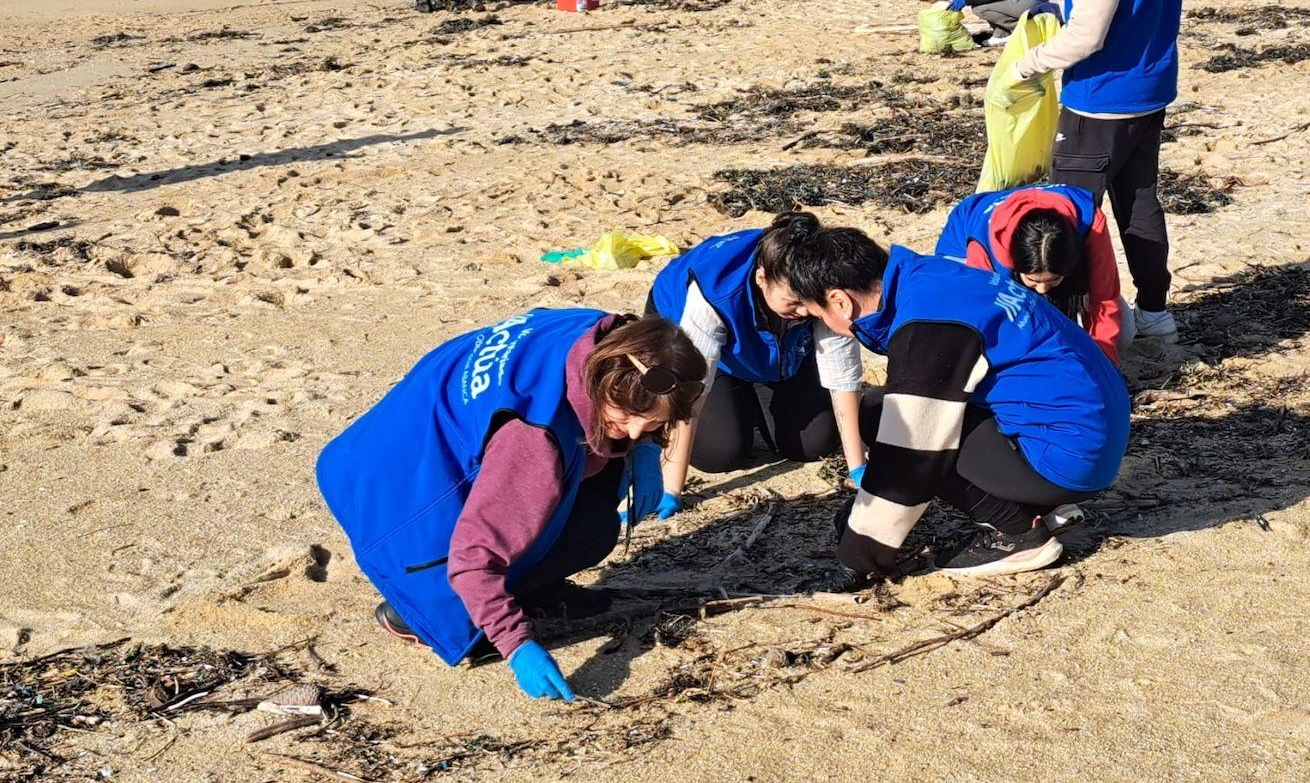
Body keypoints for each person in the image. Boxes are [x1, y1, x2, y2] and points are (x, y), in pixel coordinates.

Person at [316, 310, 706, 702]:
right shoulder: (533, 440)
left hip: (398, 443)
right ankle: (413, 610)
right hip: (394, 500)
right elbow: (472, 558)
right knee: (470, 607)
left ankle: (531, 586)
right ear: (609, 379)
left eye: (653, 423)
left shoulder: (605, 337)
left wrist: (646, 447)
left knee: (595, 509)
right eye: (628, 416)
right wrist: (515, 643)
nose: (637, 430)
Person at [757, 214, 1130, 584]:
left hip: (1068, 457)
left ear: (839, 301)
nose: (811, 318)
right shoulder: (931, 277)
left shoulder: (928, 328)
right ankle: (1040, 505)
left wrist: (858, 556)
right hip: (1094, 432)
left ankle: (1018, 533)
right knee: (909, 408)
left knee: (882, 415)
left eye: (815, 311)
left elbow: (911, 453)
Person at [1005, 0, 1185, 339]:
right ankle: (1156, 314)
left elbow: (1087, 36)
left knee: (1066, 221)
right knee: (1139, 204)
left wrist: (1026, 64)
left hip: (1099, 100)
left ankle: (1064, 332)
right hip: (1150, 90)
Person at [647, 220, 868, 517]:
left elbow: (842, 376)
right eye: (793, 303)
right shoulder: (714, 294)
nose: (803, 312)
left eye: (809, 303)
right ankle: (734, 395)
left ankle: (751, 392)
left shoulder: (820, 282)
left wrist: (858, 468)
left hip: (781, 353)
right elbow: (693, 389)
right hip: (704, 350)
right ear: (762, 278)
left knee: (813, 442)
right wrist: (671, 488)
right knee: (720, 453)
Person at [934, 182, 1133, 364]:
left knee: (1124, 334)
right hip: (963, 237)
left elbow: (1104, 298)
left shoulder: (1090, 222)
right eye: (1032, 280)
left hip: (1038, 225)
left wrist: (1103, 366)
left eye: (1054, 279)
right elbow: (984, 313)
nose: (1042, 289)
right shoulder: (983, 247)